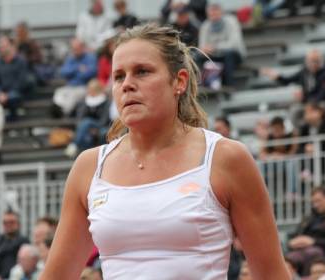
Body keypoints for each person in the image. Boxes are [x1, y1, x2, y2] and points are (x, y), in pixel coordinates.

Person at [40, 24, 290, 279]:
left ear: (179, 81)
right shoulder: (89, 166)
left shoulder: (225, 158)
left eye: (142, 72)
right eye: (118, 76)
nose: (127, 84)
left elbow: (272, 274)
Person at [287, 187, 325, 275]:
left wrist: (313, 242)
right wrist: (292, 242)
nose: (315, 205)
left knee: (313, 253)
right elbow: (295, 234)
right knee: (287, 260)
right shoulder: (308, 218)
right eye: (313, 202)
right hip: (299, 251)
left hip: (321, 254)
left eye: (318, 201)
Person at [0, 211, 29, 280]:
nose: (8, 225)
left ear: (18, 224)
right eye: (5, 223)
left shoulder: (23, 242)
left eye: (11, 222)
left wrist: (1, 276)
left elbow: (19, 264)